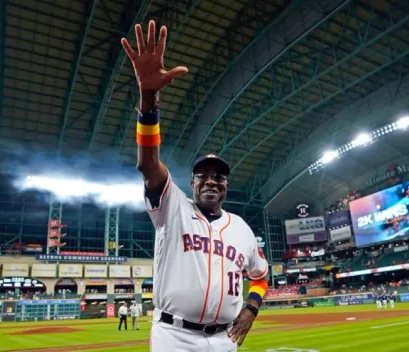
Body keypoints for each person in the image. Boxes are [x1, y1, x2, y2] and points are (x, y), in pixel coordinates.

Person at [121, 20, 269, 352]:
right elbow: (148, 164)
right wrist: (148, 99)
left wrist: (252, 307)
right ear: (192, 183)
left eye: (219, 176)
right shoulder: (173, 206)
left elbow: (260, 275)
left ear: (227, 186)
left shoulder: (242, 229)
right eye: (203, 175)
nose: (211, 181)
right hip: (175, 337)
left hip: (225, 339)